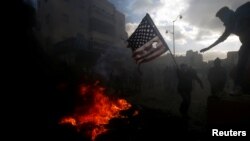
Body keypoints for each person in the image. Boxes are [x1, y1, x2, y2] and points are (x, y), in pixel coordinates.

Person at [200, 2, 250, 94]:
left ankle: (238, 86)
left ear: (227, 14)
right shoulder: (230, 27)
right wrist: (207, 48)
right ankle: (238, 87)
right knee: (241, 61)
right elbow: (221, 39)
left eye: (222, 18)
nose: (222, 21)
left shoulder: (241, 12)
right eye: (221, 19)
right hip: (247, 43)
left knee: (242, 57)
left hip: (247, 42)